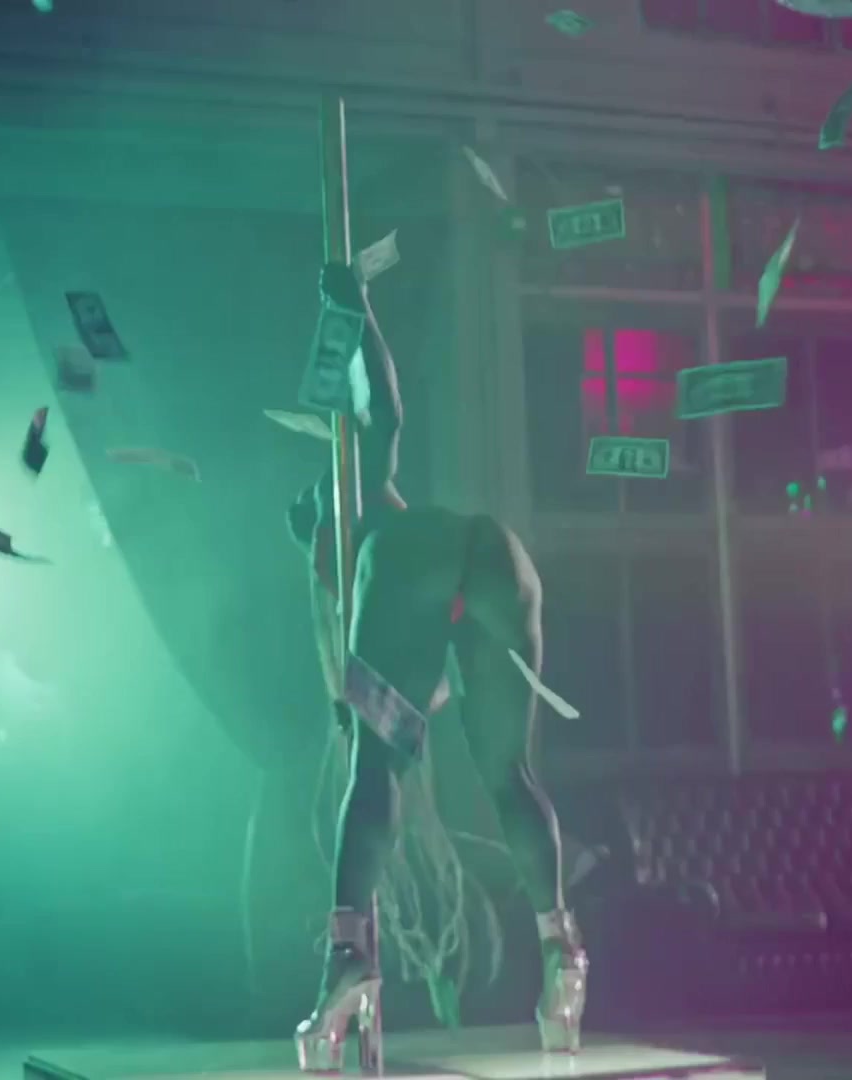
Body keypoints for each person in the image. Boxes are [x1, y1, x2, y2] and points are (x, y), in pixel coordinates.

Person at [287, 263, 586, 1071]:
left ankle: (347, 957)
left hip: (418, 567)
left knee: (373, 766)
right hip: (497, 560)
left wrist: (356, 309)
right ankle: (561, 948)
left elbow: (382, 413)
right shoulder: (371, 541)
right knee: (510, 774)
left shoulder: (355, 516)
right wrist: (359, 311)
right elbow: (437, 681)